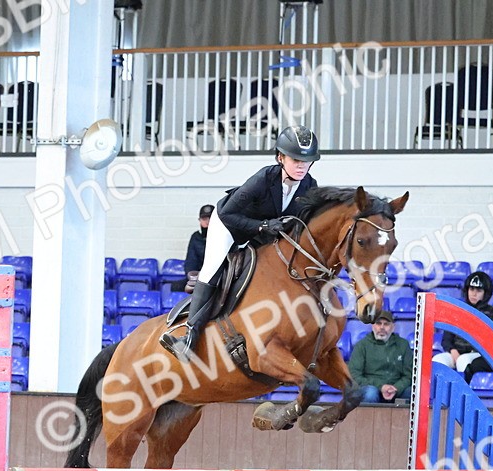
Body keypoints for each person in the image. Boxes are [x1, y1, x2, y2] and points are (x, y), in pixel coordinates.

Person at [160, 125, 321, 361]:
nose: (301, 166)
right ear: (280, 157)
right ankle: (189, 338)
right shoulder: (263, 179)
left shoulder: (309, 186)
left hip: (263, 233)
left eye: (306, 161)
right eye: (295, 159)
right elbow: (228, 214)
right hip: (228, 225)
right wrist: (263, 226)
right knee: (213, 268)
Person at [433, 270, 493, 381]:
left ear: (486, 293)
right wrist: (452, 351)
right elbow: (446, 339)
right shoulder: (458, 309)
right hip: (455, 352)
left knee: (463, 360)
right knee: (437, 360)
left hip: (478, 355)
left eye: (478, 290)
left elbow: (491, 342)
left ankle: (463, 396)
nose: (474, 293)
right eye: (471, 289)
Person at [348, 311, 414, 404]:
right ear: (372, 326)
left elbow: (409, 374)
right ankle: (366, 418)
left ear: (393, 327)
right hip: (371, 387)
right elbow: (354, 374)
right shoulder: (362, 345)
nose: (382, 327)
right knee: (370, 393)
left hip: (396, 389)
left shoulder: (403, 345)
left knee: (413, 393)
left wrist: (397, 388)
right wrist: (381, 387)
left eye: (386, 324)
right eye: (378, 323)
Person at [171, 204, 212, 294]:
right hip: (198, 277)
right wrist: (193, 278)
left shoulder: (223, 237)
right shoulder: (196, 237)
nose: (208, 222)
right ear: (200, 221)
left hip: (216, 279)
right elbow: (190, 262)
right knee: (176, 286)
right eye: (204, 219)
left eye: (210, 219)